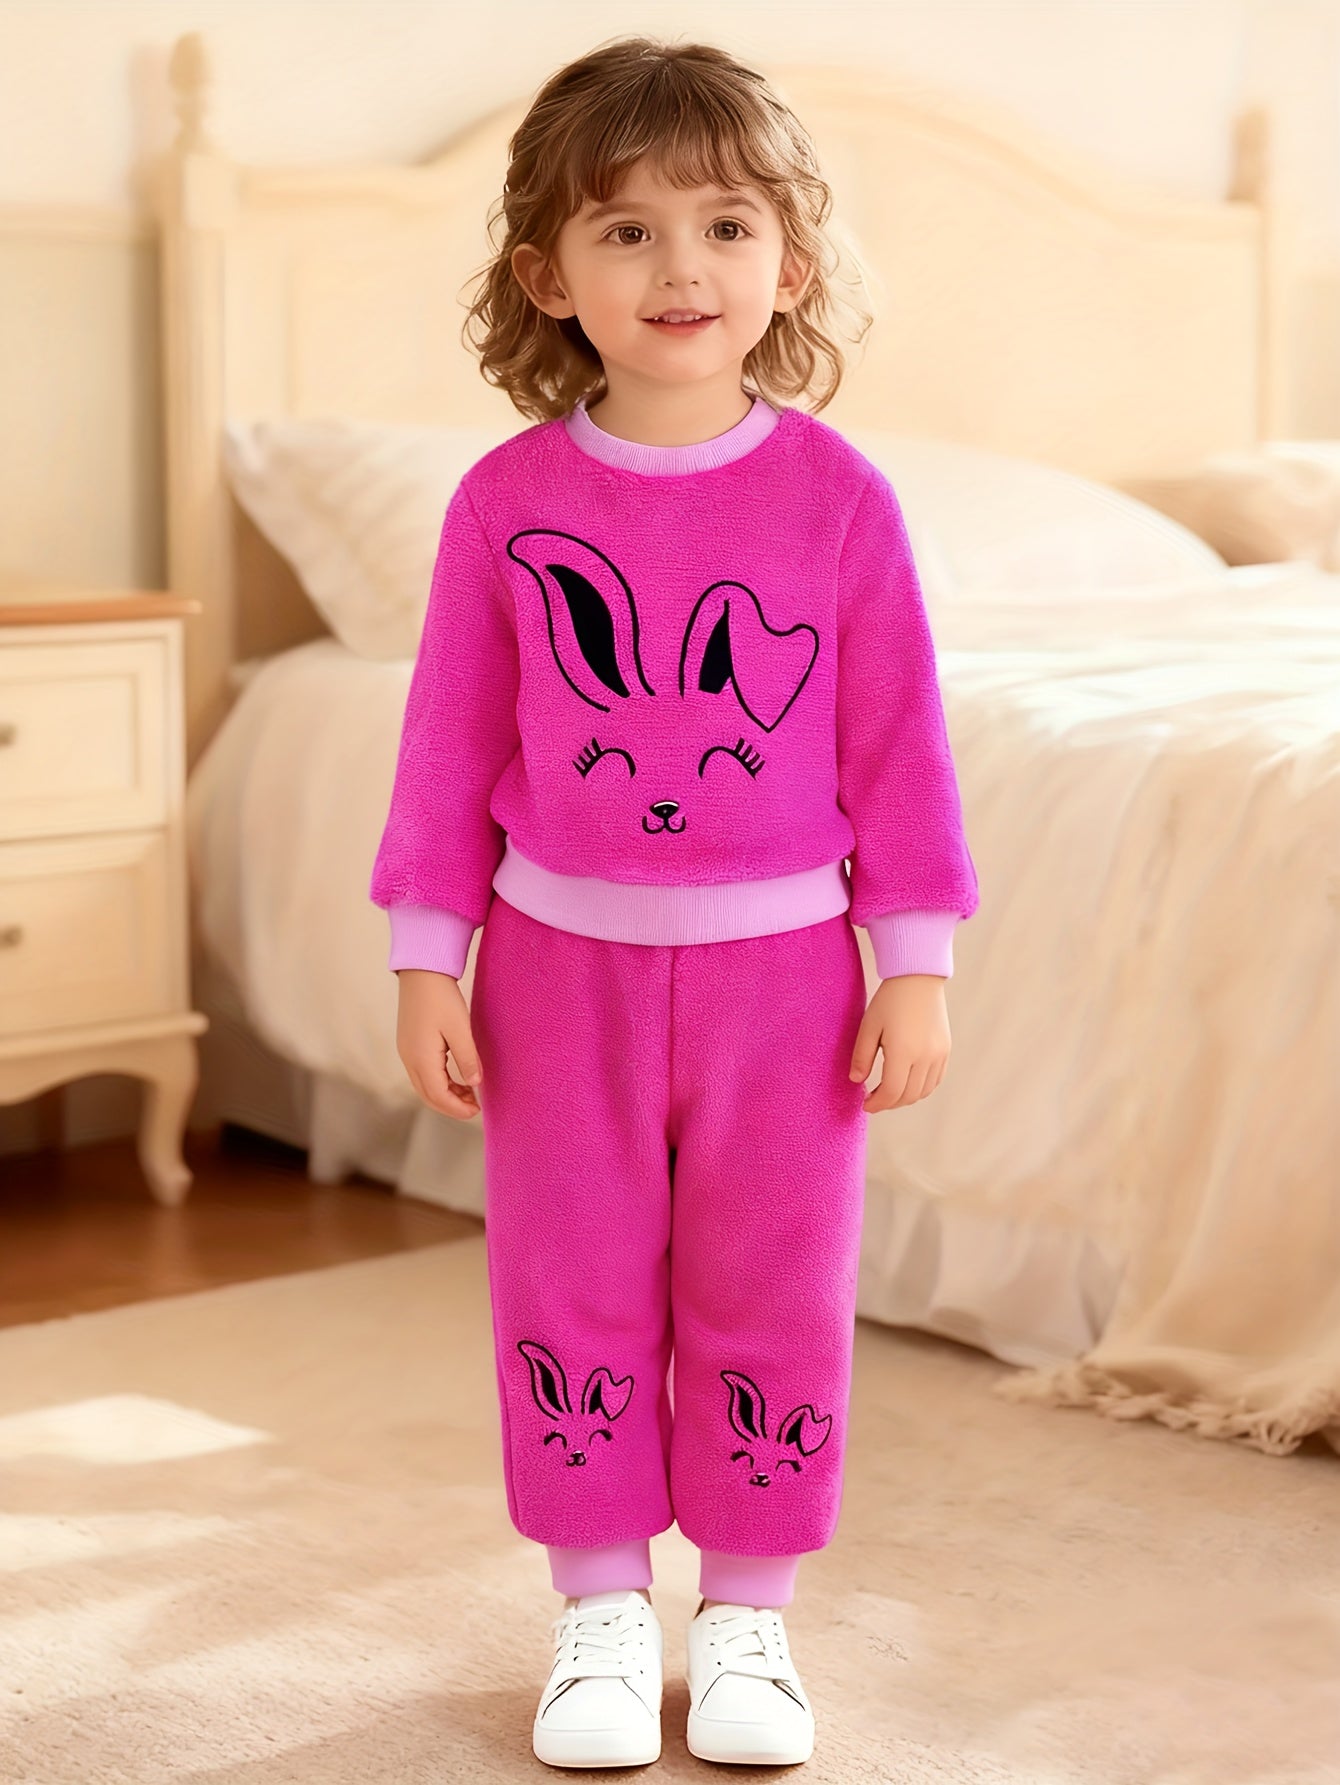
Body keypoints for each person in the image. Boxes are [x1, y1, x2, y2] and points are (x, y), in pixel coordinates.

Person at [369, 33, 979, 1772]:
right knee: (567, 1283)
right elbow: (448, 743)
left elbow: (898, 744)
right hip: (556, 975)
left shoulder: (839, 501)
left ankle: (750, 1619)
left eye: (724, 224)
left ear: (789, 257)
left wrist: (914, 958)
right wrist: (428, 954)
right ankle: (597, 1608)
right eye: (624, 230)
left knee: (771, 1287)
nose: (680, 267)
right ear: (546, 276)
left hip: (788, 981)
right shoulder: (506, 504)